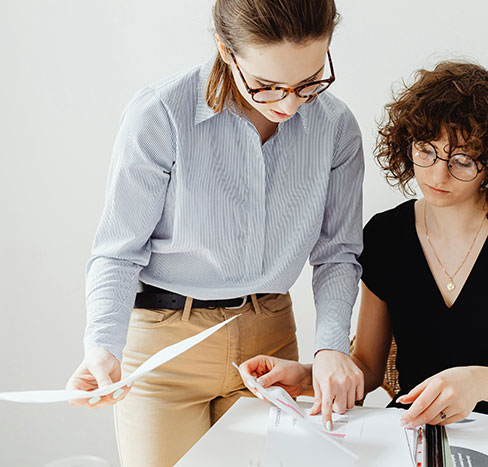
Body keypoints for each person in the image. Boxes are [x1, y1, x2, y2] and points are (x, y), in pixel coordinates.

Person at [65, 1, 365, 465]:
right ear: (227, 52)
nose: (288, 104)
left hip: (271, 348)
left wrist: (330, 347)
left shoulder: (335, 126)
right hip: (164, 350)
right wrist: (102, 344)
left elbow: (338, 255)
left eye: (308, 83)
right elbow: (118, 252)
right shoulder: (161, 114)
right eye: (266, 86)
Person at [241, 60, 488, 428]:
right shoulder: (387, 235)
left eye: (463, 160)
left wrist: (476, 383)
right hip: (415, 434)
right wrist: (306, 376)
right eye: (426, 151)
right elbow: (368, 369)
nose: (438, 174)